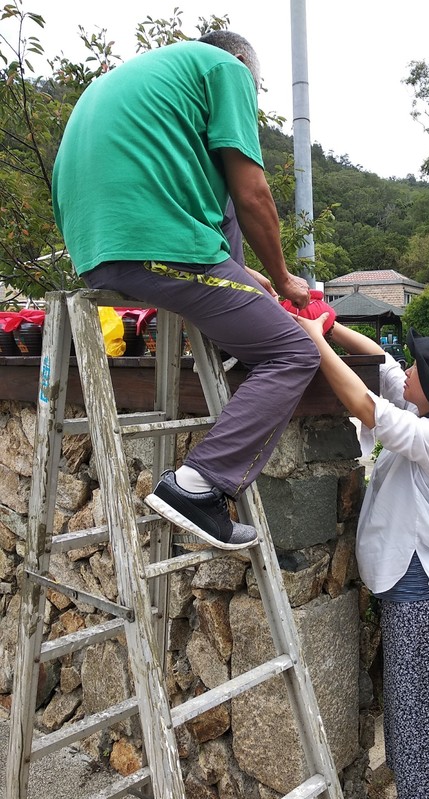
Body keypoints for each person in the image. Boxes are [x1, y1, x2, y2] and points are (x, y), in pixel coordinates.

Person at [52, 31, 319, 550]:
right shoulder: (228, 69)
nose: (252, 99)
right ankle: (197, 487)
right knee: (293, 352)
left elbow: (207, 193)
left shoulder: (137, 80)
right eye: (256, 91)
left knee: (213, 177)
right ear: (244, 65)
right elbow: (252, 193)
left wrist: (239, 276)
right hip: (154, 244)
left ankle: (229, 331)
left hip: (97, 249)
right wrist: (285, 280)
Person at [295, 312, 429, 799]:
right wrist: (328, 325)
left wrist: (313, 342)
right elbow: (380, 365)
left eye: (420, 366)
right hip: (406, 585)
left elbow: (365, 405)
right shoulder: (420, 410)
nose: (407, 369)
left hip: (427, 591)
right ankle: (416, 794)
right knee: (407, 703)